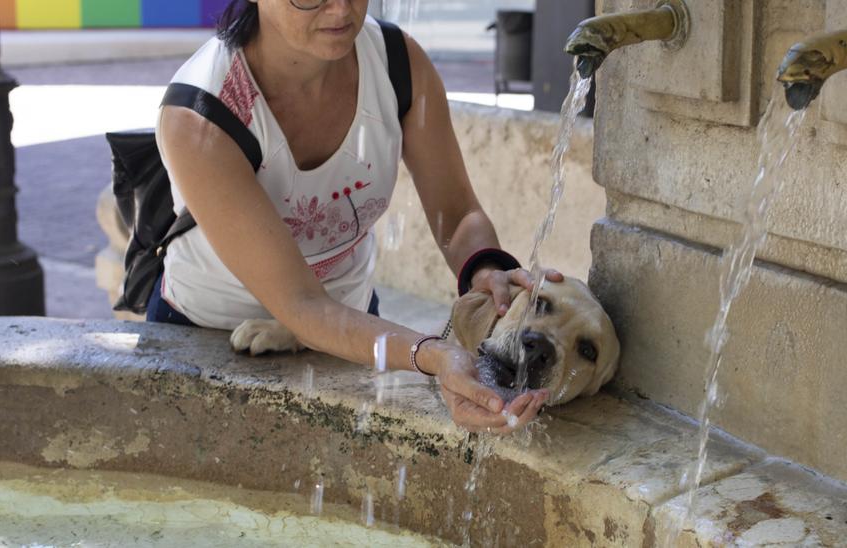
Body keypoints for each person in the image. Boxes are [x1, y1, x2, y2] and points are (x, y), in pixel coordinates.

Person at [151, 0, 561, 433]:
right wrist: (436, 356)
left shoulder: (399, 64)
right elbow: (302, 304)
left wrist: (486, 270)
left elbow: (458, 215)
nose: (341, 9)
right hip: (210, 335)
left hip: (354, 328)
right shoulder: (201, 114)